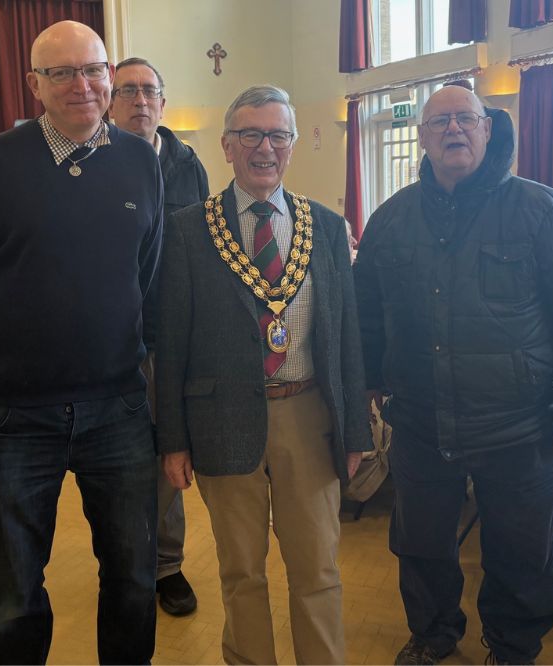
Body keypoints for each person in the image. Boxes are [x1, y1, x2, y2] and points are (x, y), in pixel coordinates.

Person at [354, 85, 553, 665]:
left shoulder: (542, 209)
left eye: (466, 120)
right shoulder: (391, 220)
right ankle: (432, 635)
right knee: (421, 546)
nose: (454, 131)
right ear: (421, 137)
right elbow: (367, 315)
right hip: (421, 422)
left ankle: (514, 647)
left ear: (488, 129)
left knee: (520, 552)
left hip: (520, 425)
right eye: (441, 122)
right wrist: (369, 380)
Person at [0, 20, 163, 665]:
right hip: (19, 413)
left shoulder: (139, 160)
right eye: (62, 72)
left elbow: (144, 272)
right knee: (14, 590)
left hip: (119, 408)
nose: (82, 84)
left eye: (94, 69)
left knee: (132, 579)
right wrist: (27, 329)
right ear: (33, 84)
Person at [155, 84, 372, 665]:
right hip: (221, 419)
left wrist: (356, 432)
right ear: (227, 146)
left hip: (309, 414)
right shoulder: (187, 230)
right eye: (250, 134)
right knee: (241, 568)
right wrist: (172, 440)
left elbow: (348, 335)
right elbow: (169, 344)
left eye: (278, 134)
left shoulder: (325, 227)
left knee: (318, 567)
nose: (265, 147)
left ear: (294, 145)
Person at [108, 55, 209, 617]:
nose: (140, 101)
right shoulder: (90, 162)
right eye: (128, 91)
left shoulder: (188, 165)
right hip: (110, 338)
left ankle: (167, 566)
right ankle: (126, 564)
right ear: (109, 101)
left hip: (171, 337)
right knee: (120, 462)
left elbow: (205, 247)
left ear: (163, 103)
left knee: (170, 454)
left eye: (149, 91)